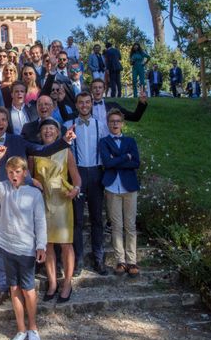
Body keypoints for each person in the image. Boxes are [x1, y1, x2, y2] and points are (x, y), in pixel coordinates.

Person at [0, 108, 75, 306]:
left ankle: (23, 283)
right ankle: (3, 286)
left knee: (21, 240)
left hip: (18, 200)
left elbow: (42, 150)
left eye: (4, 119)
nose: (1, 122)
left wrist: (64, 141)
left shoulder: (17, 141)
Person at [0, 148, 46, 340]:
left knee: (28, 290)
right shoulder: (4, 189)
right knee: (14, 288)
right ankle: (20, 329)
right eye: (10, 172)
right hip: (6, 246)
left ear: (24, 173)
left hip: (27, 248)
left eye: (17, 172)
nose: (13, 176)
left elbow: (40, 221)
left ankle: (33, 327)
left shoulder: (34, 193)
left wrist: (41, 245)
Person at [32, 119, 80, 303]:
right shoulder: (35, 153)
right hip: (43, 202)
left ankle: (67, 283)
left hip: (62, 202)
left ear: (57, 132)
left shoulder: (65, 151)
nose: (48, 132)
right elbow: (31, 178)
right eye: (45, 129)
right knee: (47, 244)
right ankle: (52, 283)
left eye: (51, 128)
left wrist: (75, 189)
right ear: (40, 133)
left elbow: (77, 179)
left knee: (66, 244)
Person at [66, 92, 108, 276]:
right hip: (78, 173)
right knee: (77, 220)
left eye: (87, 102)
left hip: (97, 172)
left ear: (92, 104)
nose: (84, 106)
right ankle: (79, 260)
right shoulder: (69, 126)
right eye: (81, 103)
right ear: (76, 105)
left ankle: (99, 258)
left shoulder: (101, 125)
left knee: (97, 218)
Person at [100, 109, 141, 277]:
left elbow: (136, 163)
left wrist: (116, 158)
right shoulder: (103, 142)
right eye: (112, 121)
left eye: (118, 121)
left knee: (130, 225)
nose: (115, 124)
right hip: (111, 187)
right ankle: (120, 260)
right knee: (116, 225)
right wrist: (125, 157)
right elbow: (107, 164)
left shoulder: (130, 141)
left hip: (129, 187)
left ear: (122, 123)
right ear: (108, 124)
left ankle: (132, 260)